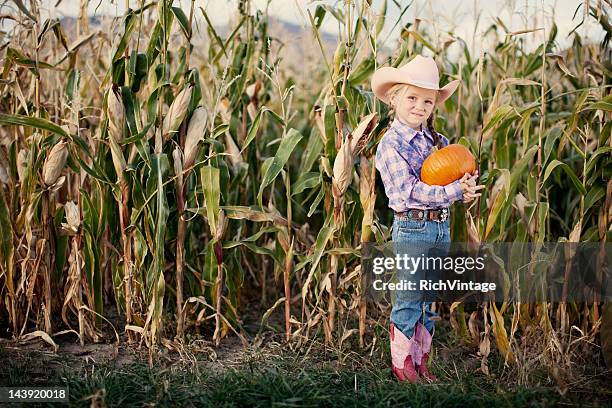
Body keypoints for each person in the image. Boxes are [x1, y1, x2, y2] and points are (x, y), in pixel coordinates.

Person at [371, 54, 484, 383]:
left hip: (440, 226)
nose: (419, 106)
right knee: (408, 297)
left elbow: (459, 175)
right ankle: (402, 367)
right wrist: (453, 192)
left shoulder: (440, 142)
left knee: (430, 301)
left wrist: (468, 189)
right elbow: (406, 193)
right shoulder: (390, 145)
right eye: (412, 98)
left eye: (427, 101)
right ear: (394, 99)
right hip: (413, 227)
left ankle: (421, 363)